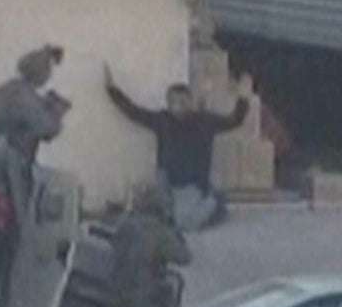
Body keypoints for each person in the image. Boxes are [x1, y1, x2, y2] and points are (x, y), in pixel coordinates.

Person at [104, 65, 249, 232]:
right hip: (166, 182)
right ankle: (177, 210)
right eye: (173, 102)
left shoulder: (205, 121)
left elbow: (234, 121)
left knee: (184, 225)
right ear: (168, 103)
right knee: (150, 215)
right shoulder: (162, 120)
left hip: (191, 186)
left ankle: (215, 201)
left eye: (182, 102)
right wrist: (112, 90)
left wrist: (243, 98)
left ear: (190, 102)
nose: (177, 107)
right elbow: (134, 112)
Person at [109, 181, 192, 307]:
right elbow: (185, 256)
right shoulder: (159, 231)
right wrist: (173, 227)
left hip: (116, 291)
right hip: (144, 296)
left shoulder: (125, 223)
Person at [0, 45, 71, 173]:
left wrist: (46, 104)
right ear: (42, 73)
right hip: (10, 160)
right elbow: (46, 129)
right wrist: (56, 112)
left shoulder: (6, 88)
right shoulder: (24, 97)